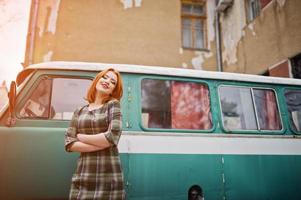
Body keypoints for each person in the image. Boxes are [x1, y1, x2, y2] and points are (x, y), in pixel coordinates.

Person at [65, 68, 125, 200]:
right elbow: (69, 143)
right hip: (84, 175)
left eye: (113, 82)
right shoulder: (79, 111)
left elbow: (112, 137)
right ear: (97, 80)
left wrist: (81, 137)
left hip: (108, 175)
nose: (107, 81)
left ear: (113, 90)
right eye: (105, 77)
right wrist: (103, 143)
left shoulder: (113, 105)